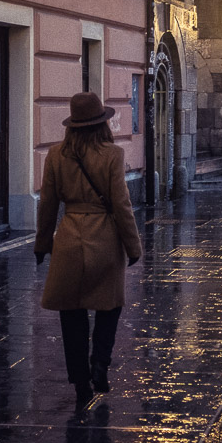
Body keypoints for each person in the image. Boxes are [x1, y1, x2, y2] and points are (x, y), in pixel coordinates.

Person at [34, 92, 143, 406]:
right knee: (110, 307)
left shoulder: (55, 155)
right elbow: (122, 205)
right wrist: (133, 245)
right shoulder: (112, 154)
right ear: (102, 124)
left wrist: (42, 243)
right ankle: (100, 364)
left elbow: (47, 204)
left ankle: (80, 380)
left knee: (72, 314)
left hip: (69, 238)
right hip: (105, 239)